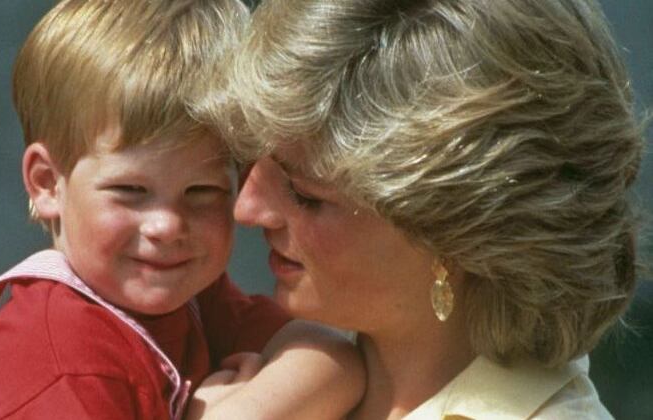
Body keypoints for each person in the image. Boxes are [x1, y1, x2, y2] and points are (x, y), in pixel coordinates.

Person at [0, 0, 364, 419]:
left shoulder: (194, 300)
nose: (167, 225)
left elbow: (334, 357)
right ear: (47, 182)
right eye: (130, 190)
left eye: (202, 191)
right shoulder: (64, 370)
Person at [218, 0, 647, 418]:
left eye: (304, 194)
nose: (247, 209)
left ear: (453, 231)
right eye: (252, 160)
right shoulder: (256, 360)